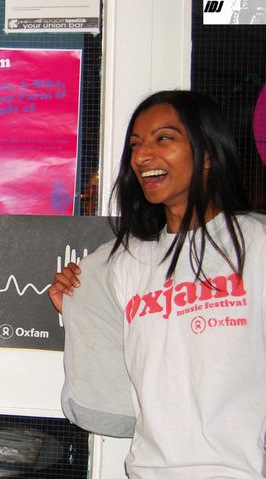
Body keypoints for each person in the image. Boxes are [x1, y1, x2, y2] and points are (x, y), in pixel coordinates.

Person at [49, 90, 266, 477]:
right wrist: (81, 306)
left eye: (163, 138)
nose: (141, 156)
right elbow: (110, 385)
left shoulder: (256, 245)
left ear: (209, 154)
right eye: (135, 144)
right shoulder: (123, 262)